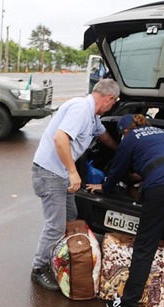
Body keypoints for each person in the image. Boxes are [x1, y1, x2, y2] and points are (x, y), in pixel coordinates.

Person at [85, 114, 164, 307]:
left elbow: (117, 170)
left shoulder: (130, 139)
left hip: (163, 187)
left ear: (124, 131)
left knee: (145, 245)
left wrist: (104, 187)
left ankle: (129, 305)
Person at [31, 78, 119, 290]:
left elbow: (104, 136)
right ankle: (39, 268)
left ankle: (61, 257)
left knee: (71, 218)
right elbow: (60, 139)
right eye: (114, 103)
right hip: (50, 173)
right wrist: (73, 172)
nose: (112, 106)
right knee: (56, 225)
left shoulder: (92, 116)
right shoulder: (80, 109)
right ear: (108, 99)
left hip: (60, 174)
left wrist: (123, 150)